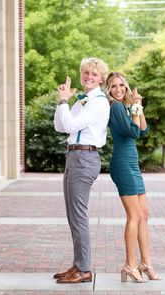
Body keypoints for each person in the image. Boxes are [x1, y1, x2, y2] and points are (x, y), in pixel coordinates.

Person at [53, 57, 109, 284]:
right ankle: (78, 265)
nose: (89, 77)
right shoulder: (83, 100)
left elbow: (72, 125)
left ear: (101, 79)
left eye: (94, 74)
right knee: (72, 215)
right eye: (86, 73)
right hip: (74, 155)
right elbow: (60, 126)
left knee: (78, 216)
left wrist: (66, 102)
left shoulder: (98, 102)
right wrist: (62, 102)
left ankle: (84, 269)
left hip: (85, 157)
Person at [105, 72, 161, 283]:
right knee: (134, 216)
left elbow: (144, 129)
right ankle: (130, 264)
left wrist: (138, 105)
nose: (118, 89)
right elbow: (134, 133)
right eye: (113, 86)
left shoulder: (126, 106)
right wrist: (134, 108)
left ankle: (145, 263)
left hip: (132, 164)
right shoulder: (116, 107)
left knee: (144, 214)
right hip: (122, 164)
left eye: (122, 85)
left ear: (127, 87)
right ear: (108, 90)